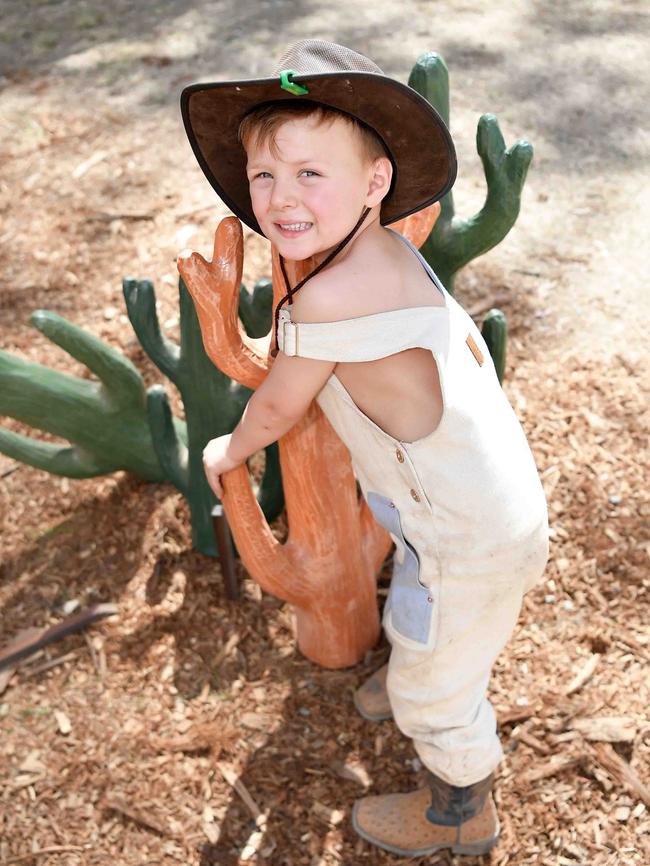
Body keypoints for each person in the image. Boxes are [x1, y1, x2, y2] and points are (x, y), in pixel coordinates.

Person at [180, 38, 549, 858]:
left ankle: (459, 809)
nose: (281, 198)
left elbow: (278, 400)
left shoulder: (333, 295)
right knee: (433, 617)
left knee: (436, 686)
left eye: (312, 174)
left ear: (375, 182)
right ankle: (424, 663)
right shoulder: (389, 256)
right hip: (472, 513)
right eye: (265, 176)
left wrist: (227, 450)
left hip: (464, 536)